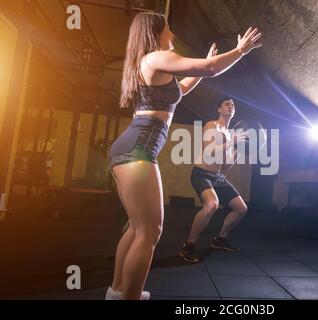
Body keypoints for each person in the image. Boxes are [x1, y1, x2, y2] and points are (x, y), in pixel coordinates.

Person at [106, 11, 262, 300]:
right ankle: (127, 296)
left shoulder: (151, 66)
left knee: (137, 227)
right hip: (138, 148)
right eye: (168, 29)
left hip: (131, 148)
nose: (173, 36)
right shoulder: (154, 57)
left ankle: (117, 291)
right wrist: (240, 51)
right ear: (154, 33)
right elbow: (210, 69)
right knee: (150, 231)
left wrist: (203, 66)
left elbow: (185, 86)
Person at [179, 99, 248, 263]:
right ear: (219, 109)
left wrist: (237, 151)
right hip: (202, 174)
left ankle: (220, 239)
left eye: (233, 105)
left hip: (218, 176)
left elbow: (225, 167)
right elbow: (209, 152)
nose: (231, 106)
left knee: (241, 208)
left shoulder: (232, 135)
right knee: (212, 205)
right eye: (227, 104)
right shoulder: (212, 125)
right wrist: (232, 142)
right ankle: (188, 246)